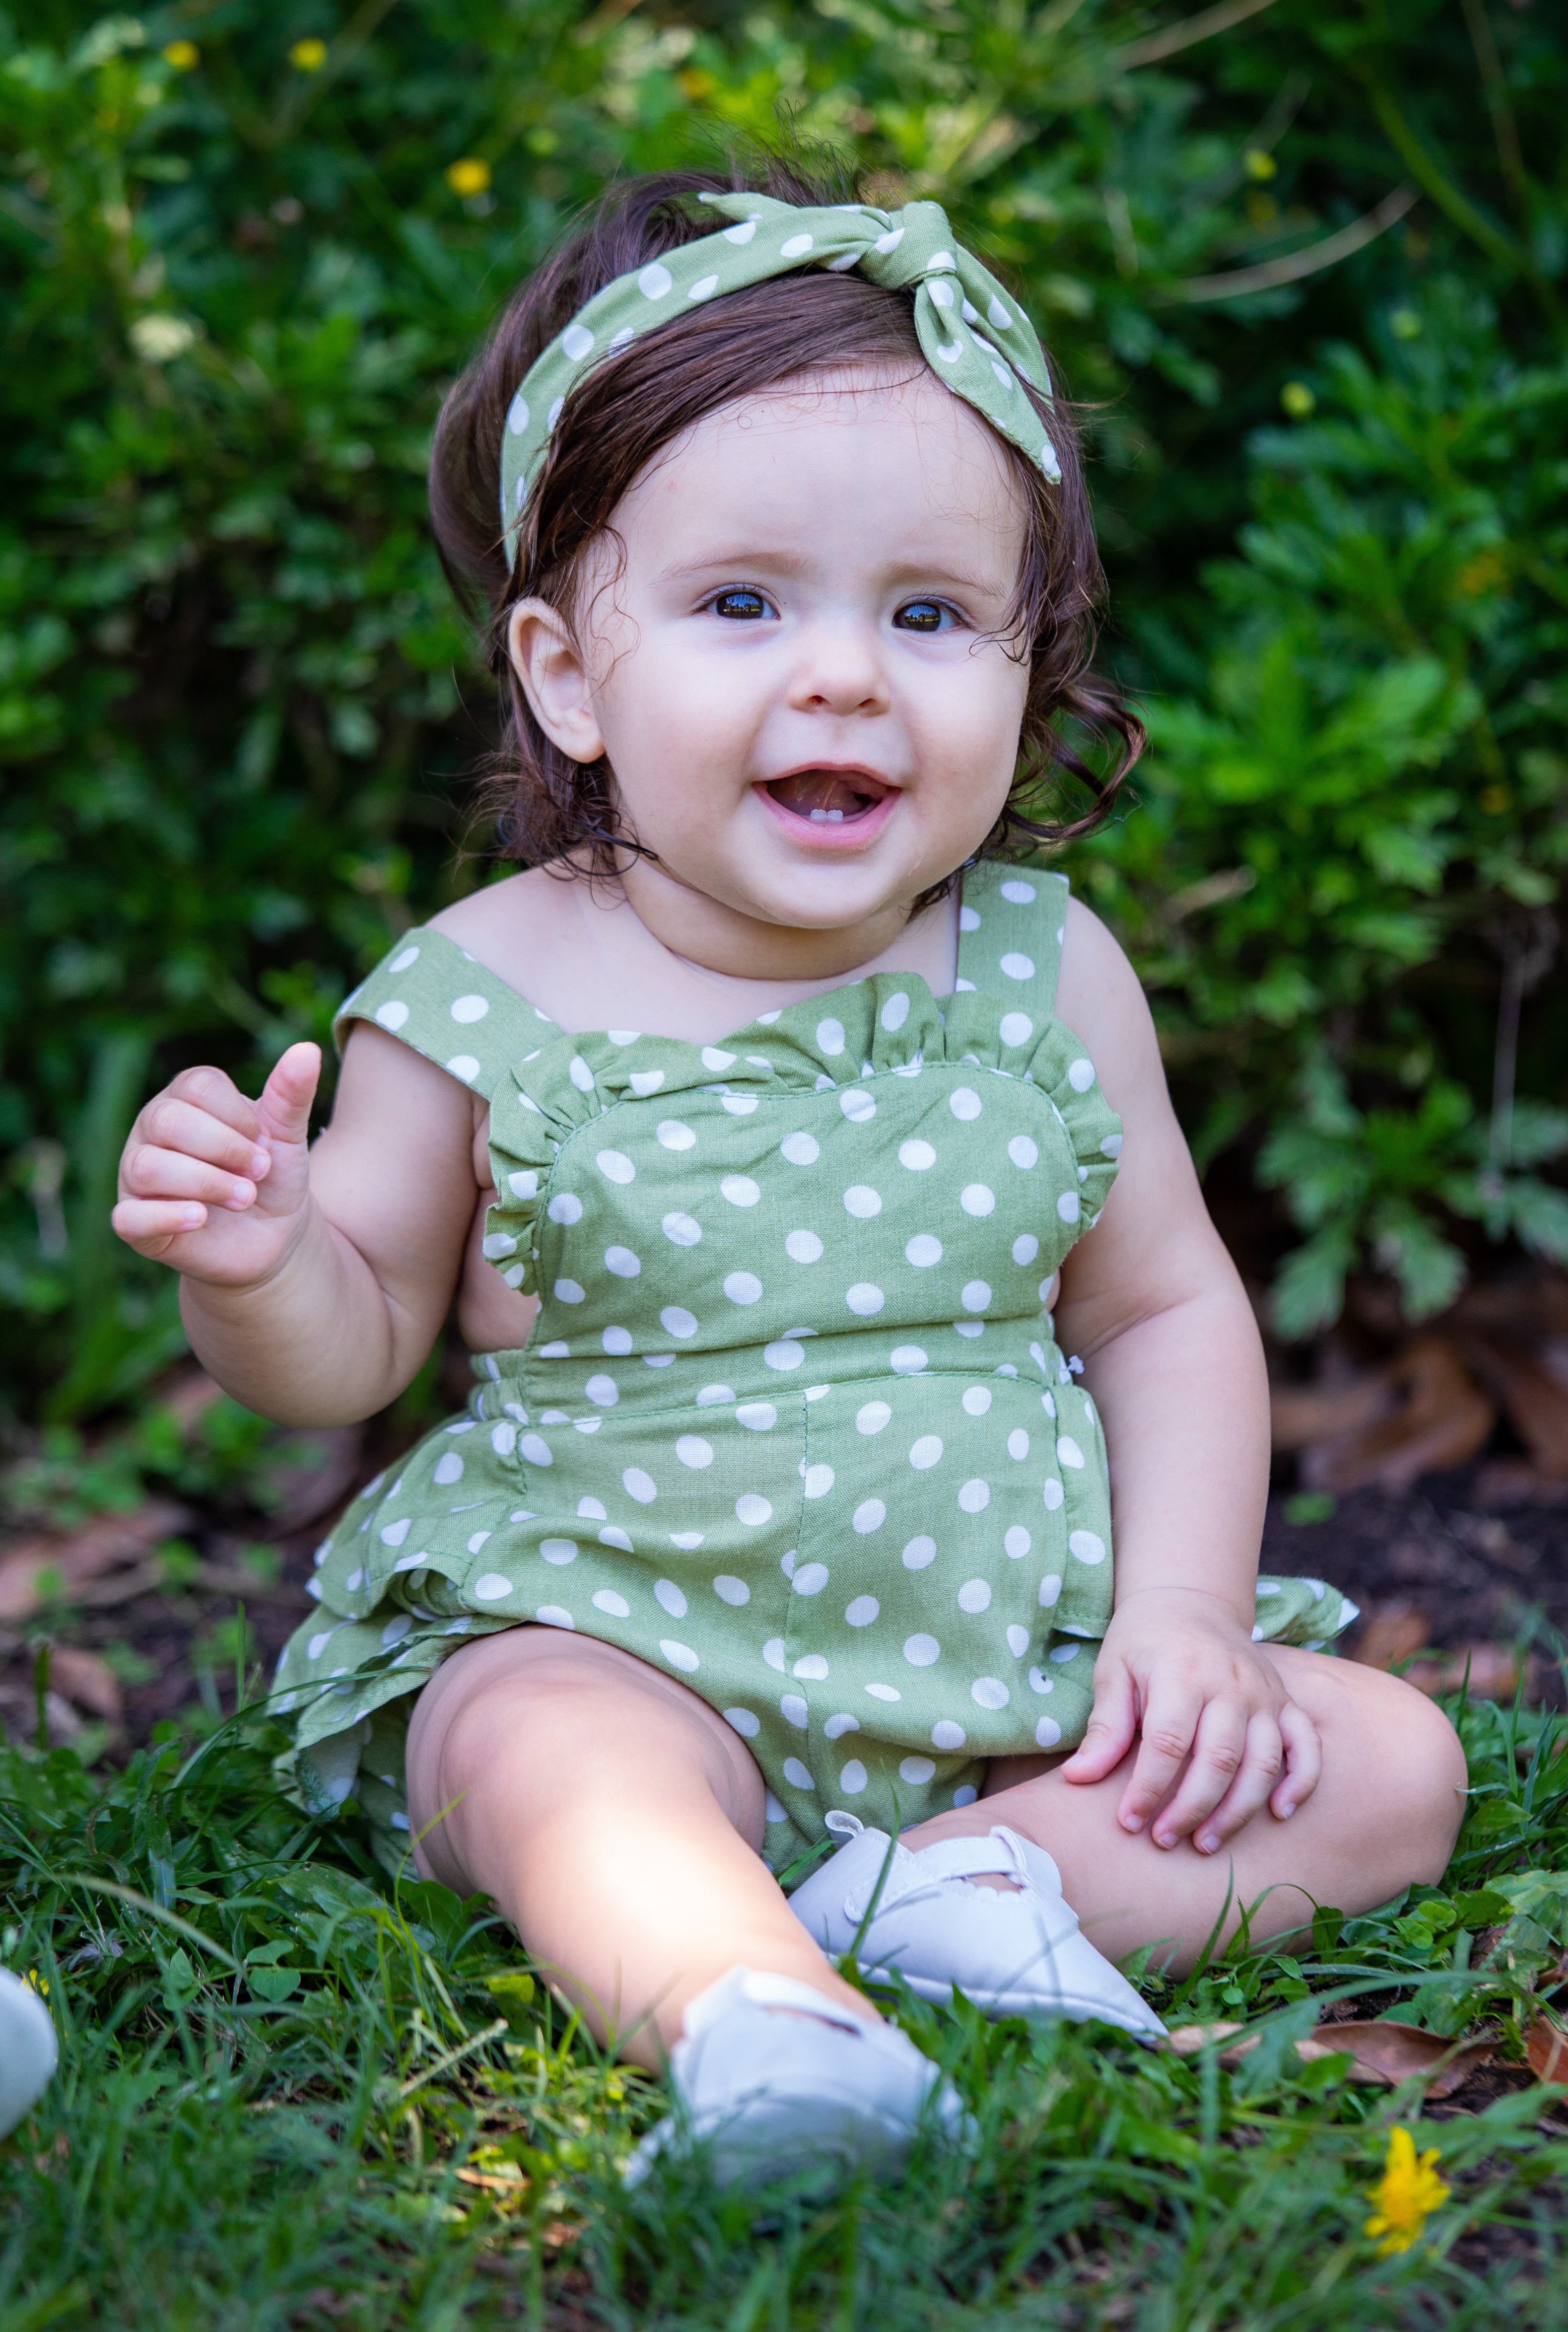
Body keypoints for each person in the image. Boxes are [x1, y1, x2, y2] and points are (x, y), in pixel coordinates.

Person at [112, 159, 1467, 2185]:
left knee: (1384, 1763)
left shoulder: (1043, 966)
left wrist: (1179, 1618)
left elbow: (1164, 1301)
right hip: (618, 1634)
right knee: (526, 1742)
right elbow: (353, 1342)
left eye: (927, 613)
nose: (842, 673)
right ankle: (762, 2021)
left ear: (1021, 666)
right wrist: (263, 1255)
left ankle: (901, 1898)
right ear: (572, 670)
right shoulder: (484, 988)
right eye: (744, 602)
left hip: (1014, 1676)